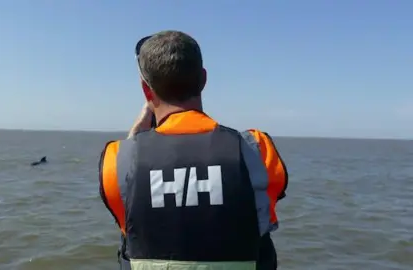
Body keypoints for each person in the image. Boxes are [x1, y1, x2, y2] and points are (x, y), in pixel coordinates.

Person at [98, 30, 288, 270]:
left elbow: (125, 199)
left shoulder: (118, 161)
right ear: (204, 79)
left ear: (146, 91)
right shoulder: (257, 150)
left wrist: (137, 135)